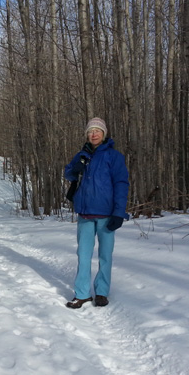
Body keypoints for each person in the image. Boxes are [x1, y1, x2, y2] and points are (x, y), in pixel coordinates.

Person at [64, 117, 129, 308]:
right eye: (90, 131)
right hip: (85, 213)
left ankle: (101, 292)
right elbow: (69, 174)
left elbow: (121, 184)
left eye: (97, 131)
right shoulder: (82, 154)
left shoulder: (114, 156)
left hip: (107, 214)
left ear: (104, 134)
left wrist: (119, 212)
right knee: (83, 255)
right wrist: (77, 166)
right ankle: (82, 293)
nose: (93, 134)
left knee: (105, 255)